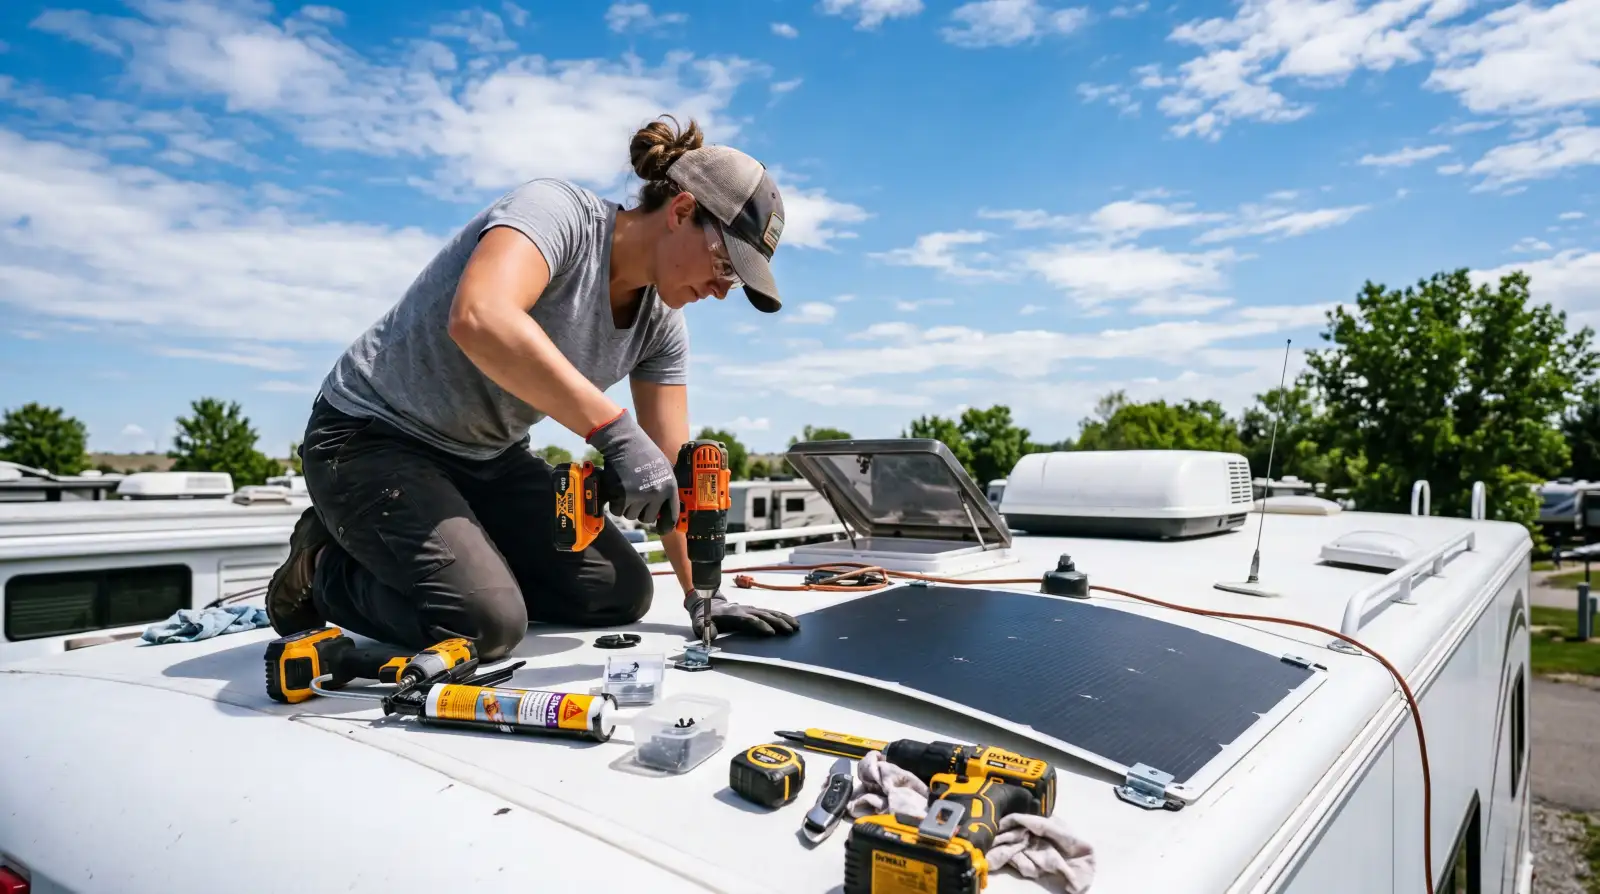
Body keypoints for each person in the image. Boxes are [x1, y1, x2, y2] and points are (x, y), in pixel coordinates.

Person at [264, 115, 800, 662]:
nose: (721, 290)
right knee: (484, 626)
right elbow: (479, 316)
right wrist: (614, 431)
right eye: (725, 265)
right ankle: (320, 568)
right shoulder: (556, 213)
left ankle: (466, 559)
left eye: (735, 281)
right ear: (682, 211)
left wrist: (702, 595)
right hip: (371, 439)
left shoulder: (659, 325)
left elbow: (672, 475)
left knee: (619, 593)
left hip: (486, 458)